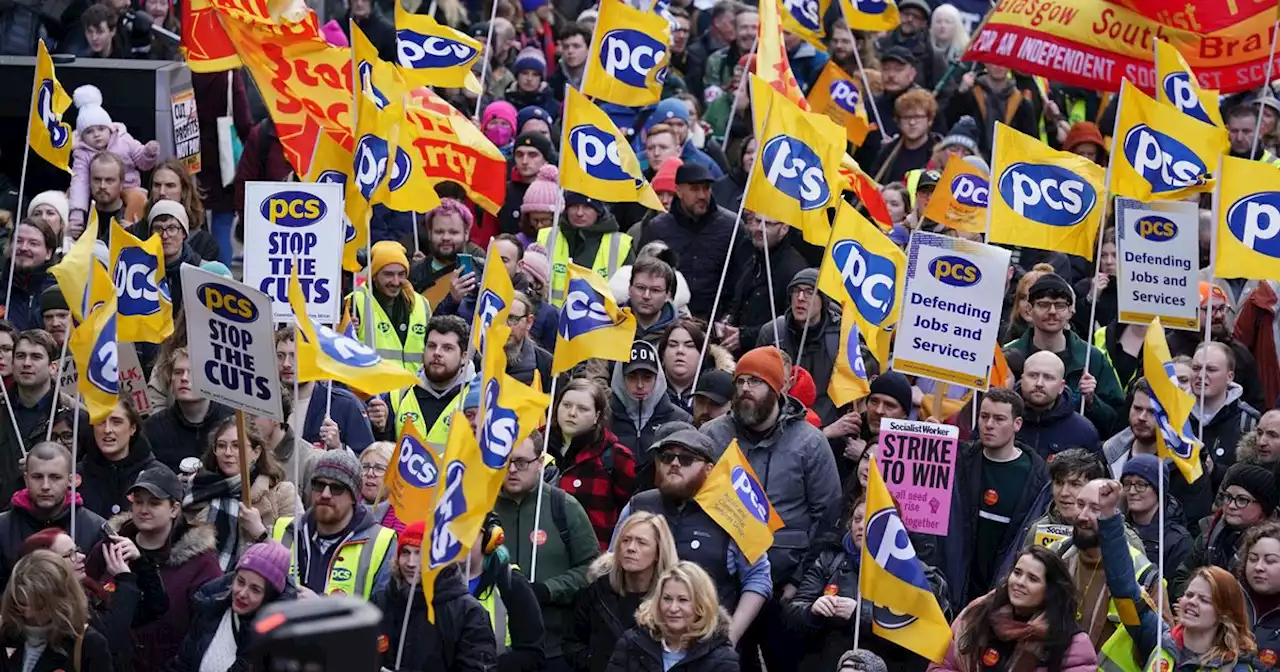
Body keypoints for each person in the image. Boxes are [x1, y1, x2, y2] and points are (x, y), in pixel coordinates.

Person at [700, 346, 840, 672]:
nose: (746, 389)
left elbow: (828, 518)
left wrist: (799, 583)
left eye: (757, 381)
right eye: (741, 381)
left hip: (783, 589)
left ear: (777, 389)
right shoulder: (711, 436)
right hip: (724, 587)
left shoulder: (810, 443)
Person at [616, 429, 772, 643]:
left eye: (687, 459)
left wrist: (730, 637)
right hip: (639, 641)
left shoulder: (734, 512)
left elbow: (758, 578)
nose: (675, 464)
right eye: (667, 457)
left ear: (709, 469)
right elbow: (612, 564)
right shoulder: (638, 505)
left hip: (706, 645)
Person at [786, 497, 950, 671]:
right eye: (857, 519)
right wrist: (813, 611)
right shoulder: (829, 559)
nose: (861, 525)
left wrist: (859, 614)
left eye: (870, 519)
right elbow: (793, 612)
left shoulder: (917, 573)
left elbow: (915, 629)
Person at [84, 464, 221, 672]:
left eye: (154, 503)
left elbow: (207, 628)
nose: (143, 510)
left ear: (174, 509)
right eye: (138, 502)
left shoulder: (201, 562)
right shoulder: (109, 548)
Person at [495, 429, 600, 672]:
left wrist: (548, 590)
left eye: (521, 462)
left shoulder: (563, 506)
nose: (511, 470)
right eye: (505, 461)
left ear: (540, 463)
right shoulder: (481, 508)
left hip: (553, 647)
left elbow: (592, 568)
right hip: (496, 650)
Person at [940, 388, 1049, 607]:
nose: (989, 424)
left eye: (999, 419)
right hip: (955, 588)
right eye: (984, 416)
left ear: (1017, 424)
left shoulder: (1039, 478)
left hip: (1002, 594)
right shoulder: (958, 460)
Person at [931, 546, 1097, 672]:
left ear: (1050, 591)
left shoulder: (1071, 642)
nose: (1020, 582)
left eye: (1032, 579)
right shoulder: (977, 613)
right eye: (1017, 573)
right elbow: (941, 665)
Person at [1005, 272, 1126, 438]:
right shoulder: (1008, 355)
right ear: (1029, 309)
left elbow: (1118, 422)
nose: (1052, 311)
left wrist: (1092, 401)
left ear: (1071, 310)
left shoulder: (1092, 359)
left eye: (1060, 305)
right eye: (1043, 304)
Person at [371, 520, 497, 672]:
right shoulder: (381, 601)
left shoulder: (467, 612)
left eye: (421, 553)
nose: (411, 563)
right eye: (405, 552)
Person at [270, 449, 395, 599]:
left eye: (336, 488)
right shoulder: (285, 529)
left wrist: (321, 607)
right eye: (319, 485)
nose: (325, 494)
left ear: (353, 497)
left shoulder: (381, 541)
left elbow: (382, 614)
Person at [567, 512, 679, 672]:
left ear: (658, 552)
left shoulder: (671, 600)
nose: (631, 548)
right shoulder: (597, 591)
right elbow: (573, 642)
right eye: (626, 540)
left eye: (641, 543)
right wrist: (594, 663)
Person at [182, 417, 297, 572]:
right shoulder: (196, 489)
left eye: (237, 446)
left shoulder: (282, 493)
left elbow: (293, 559)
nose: (228, 453)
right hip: (201, 585)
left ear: (256, 452)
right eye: (221, 446)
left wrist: (260, 532)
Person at [639, 163, 749, 321]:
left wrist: (729, 318)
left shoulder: (732, 226)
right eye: (695, 189)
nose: (702, 195)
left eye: (706, 188)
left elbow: (742, 279)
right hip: (669, 321)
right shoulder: (657, 228)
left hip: (717, 323)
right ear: (678, 191)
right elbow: (644, 274)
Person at [169, 540, 297, 671]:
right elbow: (182, 664)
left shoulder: (275, 642)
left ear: (269, 597)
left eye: (255, 589)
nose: (242, 593)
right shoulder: (210, 609)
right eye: (240, 582)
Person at [1104, 378, 1215, 524]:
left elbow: (1195, 525)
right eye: (1137, 408)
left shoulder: (1187, 466)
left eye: (1152, 411)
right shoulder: (1110, 454)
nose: (1142, 417)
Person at [0, 441, 108, 589]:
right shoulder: (3, 528)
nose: (45, 486)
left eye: (55, 477)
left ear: (71, 480)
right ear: (26, 479)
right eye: (37, 477)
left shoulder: (96, 529)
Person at [548, 378, 637, 548]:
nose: (572, 413)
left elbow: (629, 514)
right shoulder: (536, 447)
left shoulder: (617, 457)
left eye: (583, 409)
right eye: (566, 405)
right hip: (541, 551)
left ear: (597, 416)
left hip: (593, 556)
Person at [605, 561, 740, 672]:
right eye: (667, 599)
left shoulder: (722, 658)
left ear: (701, 605)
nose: (673, 608)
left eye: (683, 600)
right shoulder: (631, 643)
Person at [0, 330, 82, 504]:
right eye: (21, 356)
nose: (27, 363)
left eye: (36, 357)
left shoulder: (76, 415)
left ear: (53, 367)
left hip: (55, 517)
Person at [0, 550, 115, 671]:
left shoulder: (88, 644)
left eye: (39, 606)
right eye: (20, 604)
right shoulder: (6, 634)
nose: (27, 614)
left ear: (60, 603)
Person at [1175, 463, 1278, 597]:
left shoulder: (1275, 543)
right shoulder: (1209, 532)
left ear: (1264, 506)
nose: (1231, 505)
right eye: (1228, 497)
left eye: (1242, 500)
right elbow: (1180, 578)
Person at [67, 86, 160, 231]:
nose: (96, 134)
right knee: (72, 193)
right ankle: (85, 228)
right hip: (98, 194)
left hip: (130, 187)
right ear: (82, 136)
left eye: (101, 129)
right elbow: (80, 183)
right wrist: (76, 216)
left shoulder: (123, 140)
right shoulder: (82, 153)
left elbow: (143, 162)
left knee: (138, 197)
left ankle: (131, 229)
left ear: (109, 128)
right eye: (89, 131)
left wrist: (149, 153)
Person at [463, 512, 545, 671]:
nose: (457, 541)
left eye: (466, 533)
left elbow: (533, 656)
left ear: (490, 538)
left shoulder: (511, 583)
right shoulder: (434, 584)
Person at [756, 269, 840, 424]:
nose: (801, 298)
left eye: (809, 292)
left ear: (823, 300)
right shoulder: (773, 333)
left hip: (828, 428)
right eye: (796, 291)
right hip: (776, 424)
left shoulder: (840, 337)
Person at [377, 315, 475, 445]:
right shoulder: (399, 395)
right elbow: (383, 453)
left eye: (447, 348)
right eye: (432, 346)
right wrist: (380, 429)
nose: (437, 353)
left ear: (464, 357)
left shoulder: (478, 397)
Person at [273, 327, 376, 451]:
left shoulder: (345, 405)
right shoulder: (267, 402)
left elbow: (367, 459)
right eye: (280, 356)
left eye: (295, 356)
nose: (286, 364)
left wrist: (338, 447)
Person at [725, 211, 808, 354]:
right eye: (757, 221)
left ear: (784, 228)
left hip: (771, 355)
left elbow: (792, 323)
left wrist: (746, 336)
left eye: (768, 224)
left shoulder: (793, 269)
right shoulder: (751, 257)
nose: (759, 229)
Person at [346, 240, 431, 375]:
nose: (396, 281)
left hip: (412, 391)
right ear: (374, 275)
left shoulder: (422, 303)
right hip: (373, 391)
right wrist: (346, 332)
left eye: (401, 274)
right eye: (388, 274)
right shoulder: (354, 302)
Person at [143, 347, 235, 471]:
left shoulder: (232, 421)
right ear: (170, 379)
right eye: (178, 372)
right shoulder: (153, 427)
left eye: (194, 372)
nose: (184, 378)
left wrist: (265, 478)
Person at [1153, 566, 1260, 672]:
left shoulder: (1236, 668)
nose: (1192, 601)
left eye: (1204, 600)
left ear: (1224, 613)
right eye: (1189, 595)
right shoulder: (1162, 643)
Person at [536, 192, 634, 307]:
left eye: (587, 207)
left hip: (602, 321)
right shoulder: (547, 237)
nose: (579, 213)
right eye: (574, 206)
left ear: (598, 211)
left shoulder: (620, 244)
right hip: (553, 320)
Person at [611, 341, 692, 471]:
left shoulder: (681, 420)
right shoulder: (604, 418)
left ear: (658, 378)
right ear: (620, 378)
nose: (640, 385)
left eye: (647, 377)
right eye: (632, 377)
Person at [1191, 341, 1261, 490]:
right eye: (1196, 368)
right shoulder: (1173, 415)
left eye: (1211, 369)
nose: (1201, 375)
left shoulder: (1248, 422)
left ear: (1230, 376)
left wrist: (1214, 470)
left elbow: (1255, 482)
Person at [78, 399, 160, 519]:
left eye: (116, 422)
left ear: (133, 428)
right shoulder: (75, 475)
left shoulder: (158, 475)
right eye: (100, 422)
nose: (107, 430)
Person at [1017, 448, 1105, 553]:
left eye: (1075, 484)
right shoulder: (1037, 530)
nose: (1064, 493)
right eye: (1059, 483)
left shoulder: (1114, 533)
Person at [1120, 455, 1192, 583]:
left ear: (1158, 489)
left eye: (1141, 485)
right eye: (1127, 484)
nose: (1131, 491)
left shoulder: (1177, 540)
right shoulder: (1118, 529)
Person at [1016, 351, 1102, 458]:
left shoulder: (1083, 431)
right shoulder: (1002, 420)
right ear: (1022, 379)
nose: (1039, 383)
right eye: (1033, 375)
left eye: (1048, 377)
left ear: (1061, 386)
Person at [140, 159, 221, 264]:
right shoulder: (136, 233)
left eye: (170, 186)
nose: (162, 192)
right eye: (157, 185)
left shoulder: (204, 243)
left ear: (184, 191)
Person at [251, 395, 322, 504]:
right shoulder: (243, 453)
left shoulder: (311, 460)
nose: (246, 421)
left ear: (275, 418)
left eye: (253, 414)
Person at [872, 89, 943, 184]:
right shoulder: (888, 151)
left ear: (929, 120)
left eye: (917, 117)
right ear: (898, 121)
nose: (912, 123)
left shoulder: (939, 152)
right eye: (907, 117)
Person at [0, 220, 57, 332]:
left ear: (48, 253)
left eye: (33, 243)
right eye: (18, 241)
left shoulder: (57, 290)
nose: (24, 248)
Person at [147, 199, 202, 313]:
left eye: (172, 228)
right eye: (158, 229)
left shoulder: (200, 270)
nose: (165, 235)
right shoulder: (141, 271)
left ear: (184, 233)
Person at [1237, 521, 1280, 662]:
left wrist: (1249, 662)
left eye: (1270, 561)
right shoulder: (1228, 598)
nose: (1259, 567)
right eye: (1253, 559)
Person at [503, 292, 553, 391]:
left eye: (512, 318)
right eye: (499, 318)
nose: (504, 326)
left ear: (529, 322)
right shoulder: (475, 359)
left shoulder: (545, 364)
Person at [626, 257, 680, 345]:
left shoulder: (680, 334)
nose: (646, 296)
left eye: (655, 290)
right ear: (629, 289)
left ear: (668, 295)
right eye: (640, 288)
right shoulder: (610, 325)